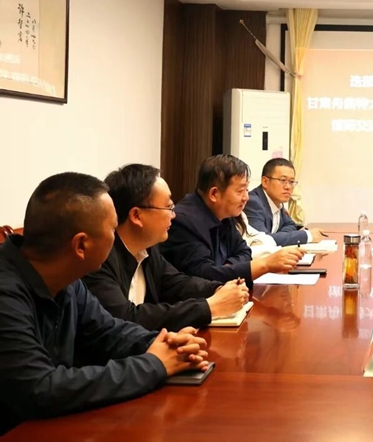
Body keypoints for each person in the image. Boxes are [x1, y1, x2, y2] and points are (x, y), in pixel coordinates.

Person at [0, 172, 208, 435]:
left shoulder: (66, 278)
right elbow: (39, 388)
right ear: (81, 245)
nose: (117, 236)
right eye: (112, 229)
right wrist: (154, 364)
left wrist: (162, 343)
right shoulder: (6, 292)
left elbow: (107, 331)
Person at [83, 164, 251, 331]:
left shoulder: (147, 249)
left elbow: (176, 283)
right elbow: (125, 318)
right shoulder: (99, 258)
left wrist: (216, 289)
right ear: (136, 215)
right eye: (168, 207)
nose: (174, 214)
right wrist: (209, 307)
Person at [160, 155, 303, 287]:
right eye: (240, 191)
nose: (246, 197)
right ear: (214, 194)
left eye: (246, 190)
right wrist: (265, 264)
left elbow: (244, 251)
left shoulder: (224, 213)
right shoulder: (184, 221)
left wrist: (226, 269)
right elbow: (204, 276)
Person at [243, 158, 325, 246]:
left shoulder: (277, 201)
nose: (288, 187)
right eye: (282, 180)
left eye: (291, 182)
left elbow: (291, 225)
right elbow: (262, 241)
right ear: (265, 181)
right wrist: (307, 236)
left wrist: (280, 236)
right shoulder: (252, 202)